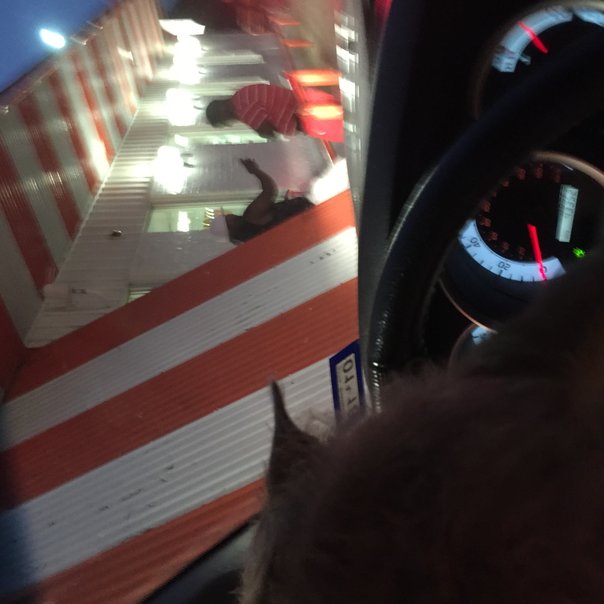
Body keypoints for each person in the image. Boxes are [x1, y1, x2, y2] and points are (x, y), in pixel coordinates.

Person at [209, 159, 314, 243]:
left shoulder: (251, 241)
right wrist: (255, 170)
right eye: (226, 217)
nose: (229, 214)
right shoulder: (251, 216)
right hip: (307, 212)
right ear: (229, 224)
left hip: (305, 230)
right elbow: (269, 190)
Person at [206, 83, 341, 139]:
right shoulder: (242, 93)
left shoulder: (242, 110)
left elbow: (268, 132)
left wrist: (261, 133)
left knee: (348, 127)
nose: (230, 123)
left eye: (224, 121)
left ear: (222, 111)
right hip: (307, 100)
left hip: (309, 118)